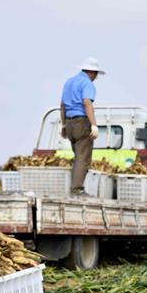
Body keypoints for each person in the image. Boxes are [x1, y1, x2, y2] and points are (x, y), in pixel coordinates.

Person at [60, 57, 104, 196]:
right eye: (96, 74)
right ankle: (77, 189)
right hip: (81, 121)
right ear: (92, 72)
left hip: (69, 122)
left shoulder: (69, 82)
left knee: (77, 156)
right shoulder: (87, 83)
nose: (96, 77)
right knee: (83, 158)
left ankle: (75, 187)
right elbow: (87, 103)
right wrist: (94, 125)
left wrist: (63, 125)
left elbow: (62, 106)